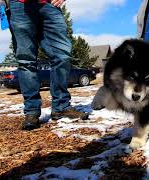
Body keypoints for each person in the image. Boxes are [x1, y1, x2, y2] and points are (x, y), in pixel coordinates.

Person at [8, 0, 89, 131]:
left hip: (49, 5)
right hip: (19, 5)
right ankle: (32, 112)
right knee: (26, 60)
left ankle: (61, 107)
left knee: (62, 55)